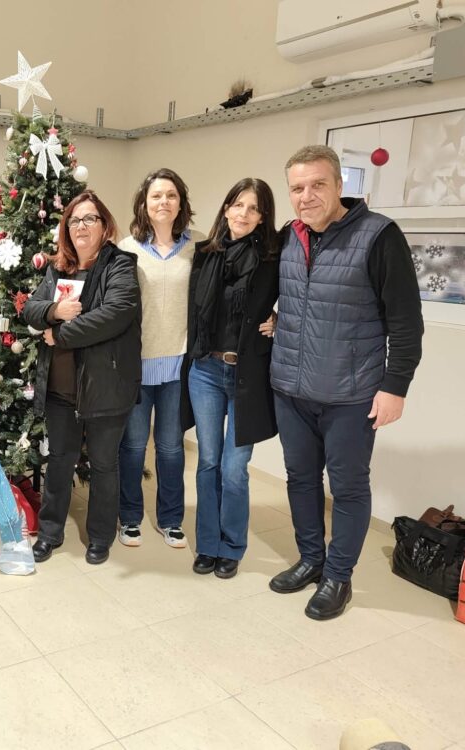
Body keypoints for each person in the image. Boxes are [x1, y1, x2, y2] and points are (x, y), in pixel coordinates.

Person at [270, 145, 423, 620]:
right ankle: (311, 560)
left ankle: (338, 576)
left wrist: (395, 386)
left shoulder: (379, 236)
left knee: (349, 487)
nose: (307, 196)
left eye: (318, 184)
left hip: (351, 395)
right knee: (300, 479)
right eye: (297, 187)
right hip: (291, 389)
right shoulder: (288, 237)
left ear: (340, 185)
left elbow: (406, 322)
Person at [22, 191, 141, 565]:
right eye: (74, 220)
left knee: (104, 465)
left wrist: (59, 334)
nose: (82, 226)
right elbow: (31, 309)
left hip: (106, 388)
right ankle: (50, 533)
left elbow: (115, 313)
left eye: (90, 218)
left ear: (105, 226)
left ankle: (101, 537)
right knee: (59, 460)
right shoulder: (58, 267)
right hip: (61, 389)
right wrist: (55, 310)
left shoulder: (120, 265)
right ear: (66, 228)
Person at [183, 178, 280, 580]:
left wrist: (280, 319)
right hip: (206, 370)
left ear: (262, 217)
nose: (243, 213)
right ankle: (208, 544)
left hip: (247, 375)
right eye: (238, 205)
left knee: (234, 468)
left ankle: (232, 545)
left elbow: (300, 298)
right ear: (226, 209)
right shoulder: (205, 255)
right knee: (208, 462)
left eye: (253, 208)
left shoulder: (272, 259)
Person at [116, 168, 204, 550]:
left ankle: (171, 519)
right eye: (156, 196)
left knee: (170, 448)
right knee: (134, 446)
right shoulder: (126, 248)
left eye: (171, 195)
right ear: (144, 203)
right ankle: (129, 517)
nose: (163, 202)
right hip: (137, 365)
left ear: (181, 202)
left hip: (178, 366)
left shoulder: (199, 245)